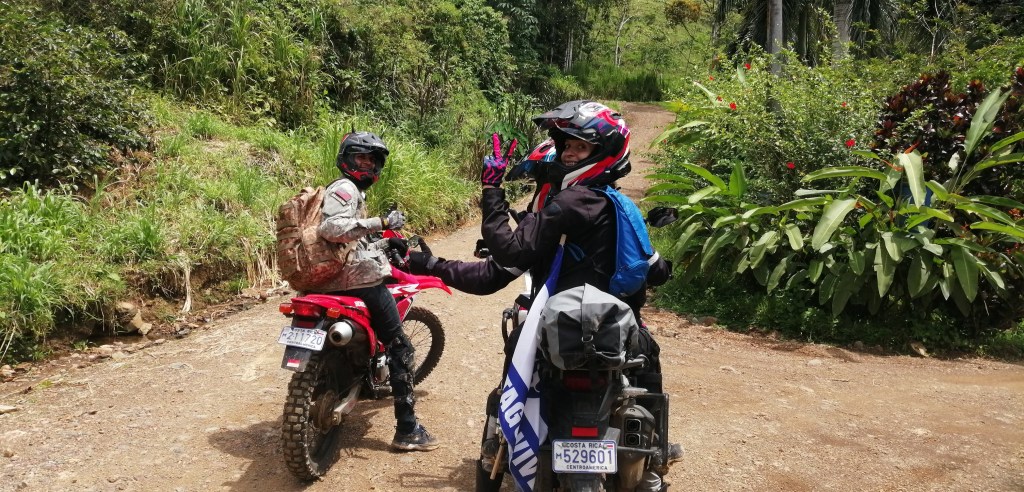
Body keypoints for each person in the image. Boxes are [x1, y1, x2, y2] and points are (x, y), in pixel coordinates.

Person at [317, 130, 439, 452]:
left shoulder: (350, 191)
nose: (367, 165)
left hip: (335, 279)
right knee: (401, 347)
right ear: (346, 159)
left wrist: (386, 242)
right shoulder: (344, 188)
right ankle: (408, 430)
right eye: (361, 158)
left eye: (372, 160)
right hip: (356, 282)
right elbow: (331, 229)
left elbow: (352, 242)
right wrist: (381, 222)